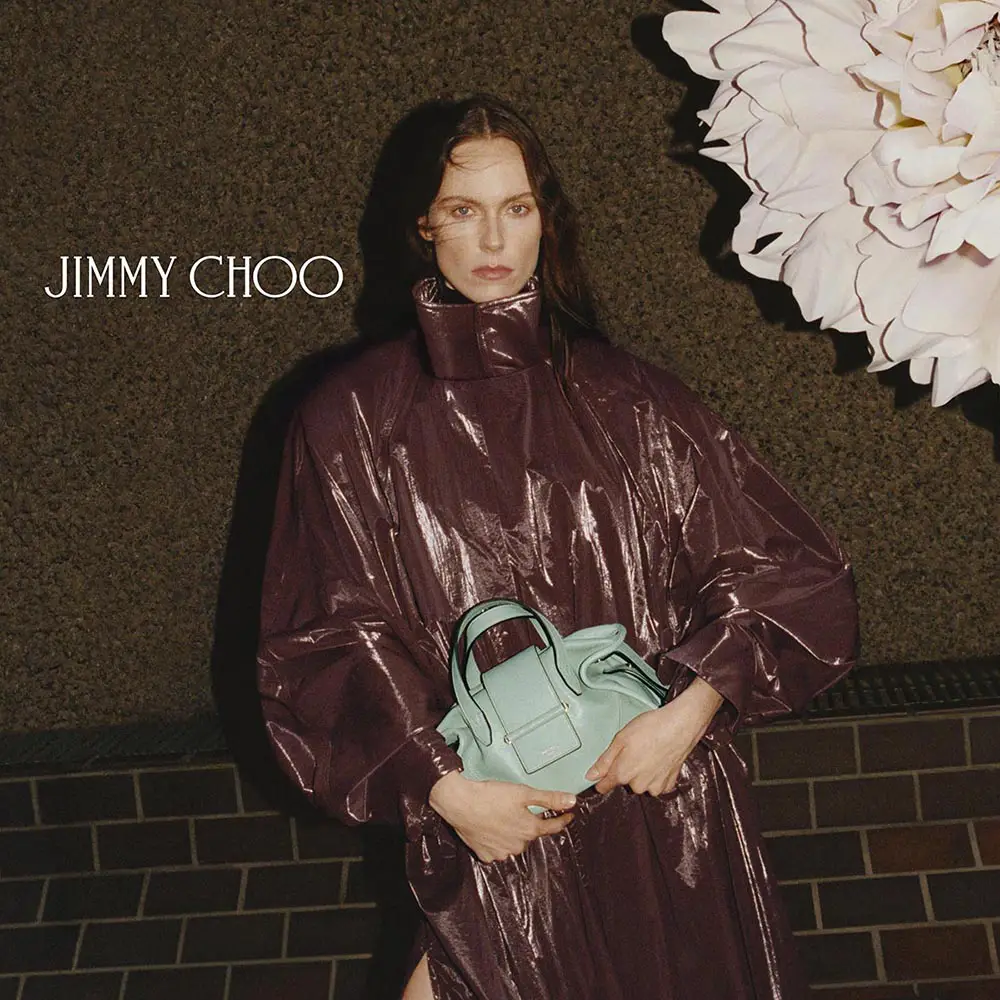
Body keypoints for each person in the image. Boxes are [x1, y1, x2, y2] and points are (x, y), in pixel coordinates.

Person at [256, 94, 858, 1000]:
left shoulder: (632, 400)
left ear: (547, 219)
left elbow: (794, 578)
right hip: (495, 825)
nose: (494, 237)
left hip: (663, 812)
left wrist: (687, 716)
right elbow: (327, 636)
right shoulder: (349, 418)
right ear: (423, 226)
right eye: (464, 209)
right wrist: (446, 791)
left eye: (517, 206)